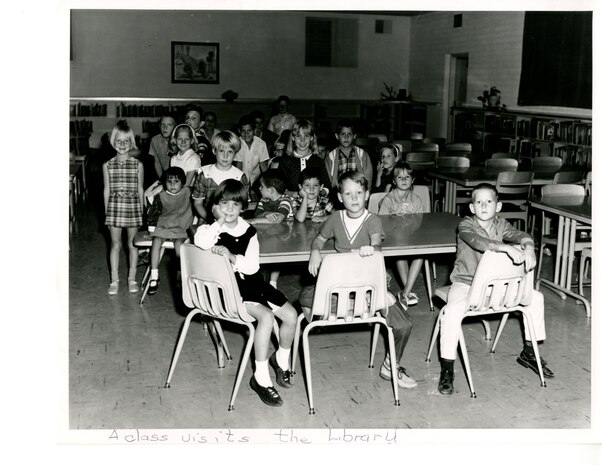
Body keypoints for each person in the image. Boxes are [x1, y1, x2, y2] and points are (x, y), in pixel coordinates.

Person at [298, 171, 416, 389]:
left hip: (367, 286)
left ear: (367, 195)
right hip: (340, 284)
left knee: (404, 324)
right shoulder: (335, 218)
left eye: (359, 193)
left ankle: (391, 364)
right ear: (340, 197)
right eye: (348, 193)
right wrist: (316, 250)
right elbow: (320, 239)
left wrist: (371, 249)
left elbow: (377, 244)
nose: (354, 198)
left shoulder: (373, 220)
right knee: (304, 295)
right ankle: (353, 305)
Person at [437, 183, 554, 396]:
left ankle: (528, 352)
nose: (483, 205)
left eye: (488, 201)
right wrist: (506, 247)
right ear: (472, 208)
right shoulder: (465, 225)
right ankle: (447, 368)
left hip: (493, 286)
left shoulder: (502, 224)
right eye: (478, 202)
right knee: (452, 312)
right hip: (466, 284)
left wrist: (529, 247)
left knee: (536, 298)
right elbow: (479, 242)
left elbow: (521, 234)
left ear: (497, 206)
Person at [194, 179, 298, 407]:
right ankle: (260, 378)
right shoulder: (207, 230)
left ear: (243, 208)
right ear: (215, 207)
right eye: (223, 204)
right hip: (229, 292)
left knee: (291, 316)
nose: (229, 209)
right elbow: (200, 242)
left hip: (253, 283)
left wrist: (231, 256)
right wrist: (218, 221)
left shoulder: (248, 231)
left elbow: (252, 266)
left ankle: (280, 360)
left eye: (235, 205)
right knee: (267, 317)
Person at [102, 121, 144, 295]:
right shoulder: (107, 165)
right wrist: (107, 213)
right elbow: (106, 190)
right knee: (115, 244)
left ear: (131, 143)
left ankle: (132, 279)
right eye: (118, 141)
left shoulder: (138, 165)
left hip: (133, 208)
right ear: (113, 142)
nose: (122, 144)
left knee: (132, 245)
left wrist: (141, 211)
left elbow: (140, 189)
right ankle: (114, 280)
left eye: (126, 141)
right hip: (115, 209)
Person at [378, 162, 424, 308]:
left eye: (407, 176)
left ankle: (405, 292)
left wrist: (410, 221)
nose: (404, 180)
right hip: (393, 238)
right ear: (394, 181)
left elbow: (420, 223)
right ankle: (407, 292)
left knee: (421, 253)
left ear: (413, 180)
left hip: (412, 236)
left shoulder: (416, 199)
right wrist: (394, 219)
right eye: (400, 177)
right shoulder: (389, 199)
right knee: (400, 252)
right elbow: (382, 223)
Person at [145, 167, 193, 295]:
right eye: (169, 181)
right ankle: (154, 275)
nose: (172, 185)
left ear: (183, 182)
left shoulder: (189, 192)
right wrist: (151, 229)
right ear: (164, 183)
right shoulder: (161, 196)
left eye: (176, 181)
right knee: (156, 241)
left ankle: (180, 274)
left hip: (181, 225)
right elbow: (153, 214)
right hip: (164, 225)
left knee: (179, 245)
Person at [192, 130, 250, 224]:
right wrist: (213, 220)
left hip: (232, 221)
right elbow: (198, 203)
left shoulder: (239, 177)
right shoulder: (205, 174)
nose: (225, 156)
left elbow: (244, 206)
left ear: (235, 154)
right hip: (207, 219)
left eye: (230, 152)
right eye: (221, 151)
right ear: (214, 151)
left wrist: (230, 221)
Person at [276, 119, 329, 194]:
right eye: (298, 136)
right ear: (293, 138)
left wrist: (320, 193)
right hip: (291, 202)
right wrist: (294, 194)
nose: (302, 140)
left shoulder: (318, 161)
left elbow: (327, 186)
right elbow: (279, 188)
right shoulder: (285, 161)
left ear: (311, 138)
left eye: (306, 136)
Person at [324, 119, 374, 191]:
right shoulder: (331, 157)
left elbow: (368, 178)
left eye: (349, 134)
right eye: (343, 134)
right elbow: (327, 181)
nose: (346, 137)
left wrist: (366, 193)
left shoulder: (362, 155)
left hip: (357, 192)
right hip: (339, 194)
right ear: (337, 136)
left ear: (354, 136)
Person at [234, 114, 270, 190]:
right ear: (239, 131)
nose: (246, 134)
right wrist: (241, 183)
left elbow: (263, 165)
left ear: (254, 130)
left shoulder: (261, 143)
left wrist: (268, 182)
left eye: (249, 131)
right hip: (240, 177)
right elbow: (239, 166)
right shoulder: (237, 143)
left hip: (257, 179)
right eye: (243, 131)